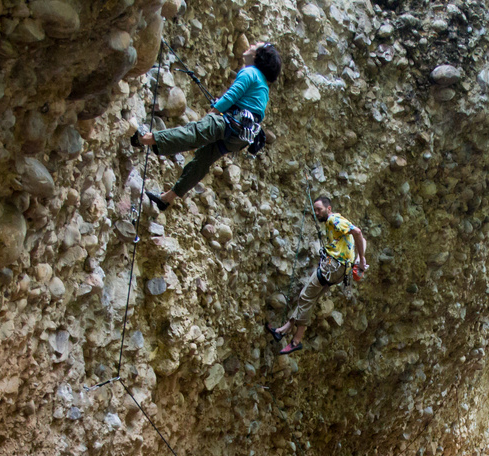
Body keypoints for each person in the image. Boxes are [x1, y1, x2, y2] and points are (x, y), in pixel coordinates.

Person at [134, 42, 282, 210]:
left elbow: (231, 96)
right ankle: (167, 198)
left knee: (194, 133)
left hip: (231, 123)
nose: (252, 44)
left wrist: (213, 112)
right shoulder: (263, 87)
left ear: (258, 56)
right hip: (240, 137)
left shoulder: (251, 73)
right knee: (202, 161)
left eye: (256, 45)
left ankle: (144, 139)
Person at [267, 195, 368, 355]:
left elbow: (358, 232)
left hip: (332, 268)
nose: (317, 213)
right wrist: (357, 259)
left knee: (305, 297)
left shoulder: (333, 219)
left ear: (329, 208)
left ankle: (296, 340)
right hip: (341, 272)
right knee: (310, 299)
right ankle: (283, 330)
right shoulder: (339, 221)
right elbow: (361, 237)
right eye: (315, 210)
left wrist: (361, 259)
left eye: (319, 209)